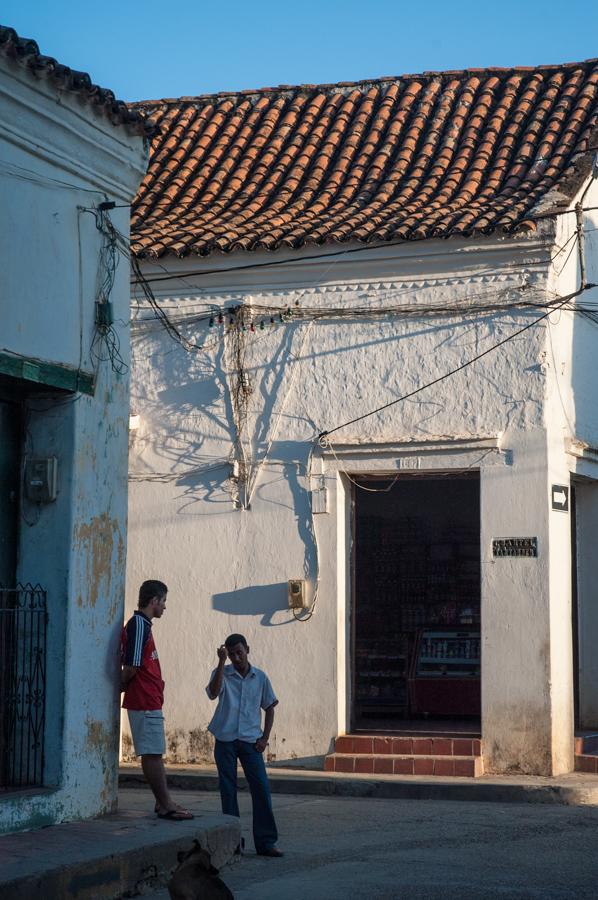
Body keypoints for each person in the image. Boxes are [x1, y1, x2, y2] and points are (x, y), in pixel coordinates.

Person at [121, 579, 193, 821]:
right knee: (152, 754)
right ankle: (165, 804)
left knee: (154, 753)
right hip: (144, 700)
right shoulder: (139, 625)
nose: (164, 607)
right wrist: (119, 688)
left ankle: (162, 802)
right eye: (163, 602)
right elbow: (131, 666)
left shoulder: (143, 625)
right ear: (154, 601)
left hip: (149, 699)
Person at [206, 634, 283, 857]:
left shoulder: (260, 677)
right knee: (228, 790)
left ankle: (266, 842)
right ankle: (233, 844)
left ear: (247, 649)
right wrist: (221, 662)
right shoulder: (222, 673)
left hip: (251, 741)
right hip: (225, 739)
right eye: (231, 654)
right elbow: (212, 693)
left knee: (261, 789)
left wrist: (265, 738)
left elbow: (270, 707)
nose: (236, 657)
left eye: (239, 652)